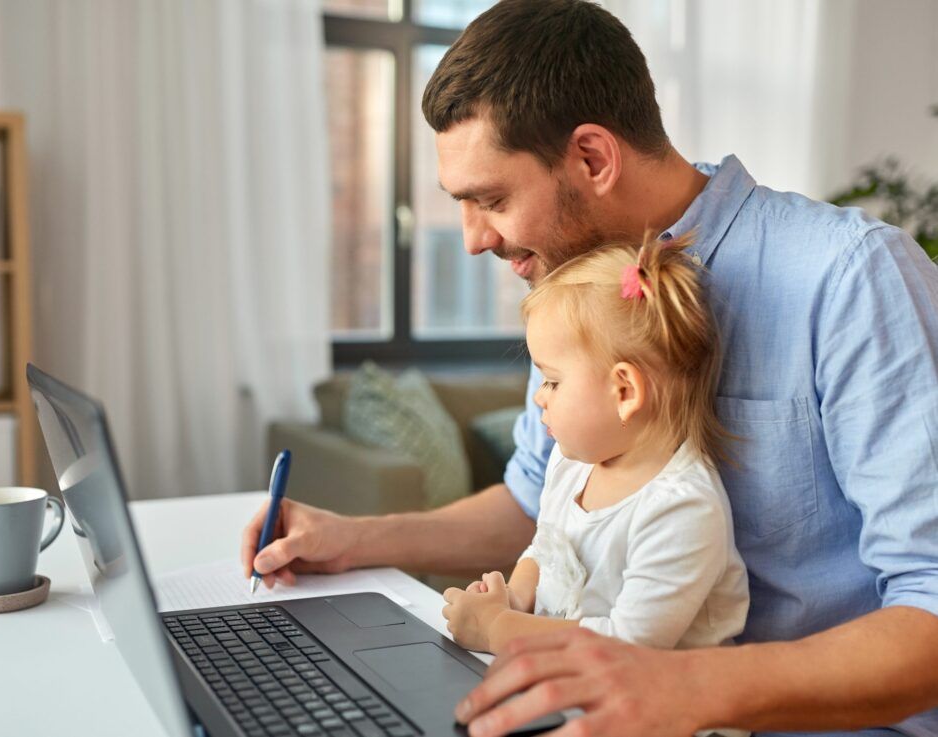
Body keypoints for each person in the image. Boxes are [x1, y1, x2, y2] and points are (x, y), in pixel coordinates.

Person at [241, 1, 938, 734]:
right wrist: (350, 540)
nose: (474, 239)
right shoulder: (578, 290)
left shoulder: (848, 277)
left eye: (492, 198)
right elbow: (535, 502)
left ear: (592, 158)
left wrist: (679, 684)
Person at [441, 238, 749, 669]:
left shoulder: (682, 508)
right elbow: (544, 549)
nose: (539, 400)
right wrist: (512, 599)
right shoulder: (570, 464)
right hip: (573, 687)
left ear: (624, 391)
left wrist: (498, 630)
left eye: (551, 381)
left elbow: (629, 646)